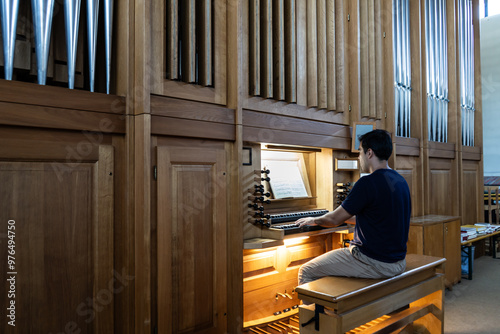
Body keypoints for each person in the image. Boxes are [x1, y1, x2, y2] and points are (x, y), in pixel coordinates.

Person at [296, 129, 411, 285]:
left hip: (373, 262)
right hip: (398, 262)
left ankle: (319, 310)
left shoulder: (367, 182)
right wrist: (339, 216)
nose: (359, 157)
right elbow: (378, 218)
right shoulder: (400, 181)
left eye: (360, 152)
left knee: (306, 270)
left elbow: (334, 220)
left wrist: (315, 219)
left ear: (369, 153)